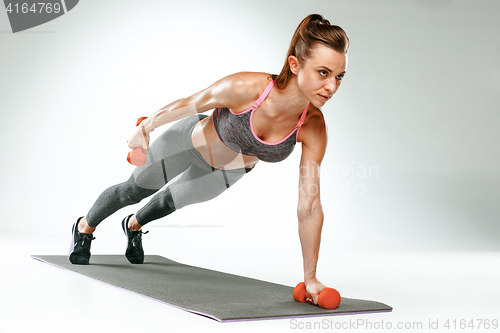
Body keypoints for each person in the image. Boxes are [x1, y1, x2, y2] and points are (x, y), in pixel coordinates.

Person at [68, 13, 349, 305]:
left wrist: (311, 277)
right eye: (323, 73)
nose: (332, 87)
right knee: (133, 190)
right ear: (295, 64)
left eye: (339, 76)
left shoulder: (313, 126)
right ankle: (83, 227)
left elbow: (310, 205)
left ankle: (134, 225)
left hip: (226, 174)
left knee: (168, 203)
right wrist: (145, 127)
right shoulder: (248, 88)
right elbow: (192, 103)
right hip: (186, 145)